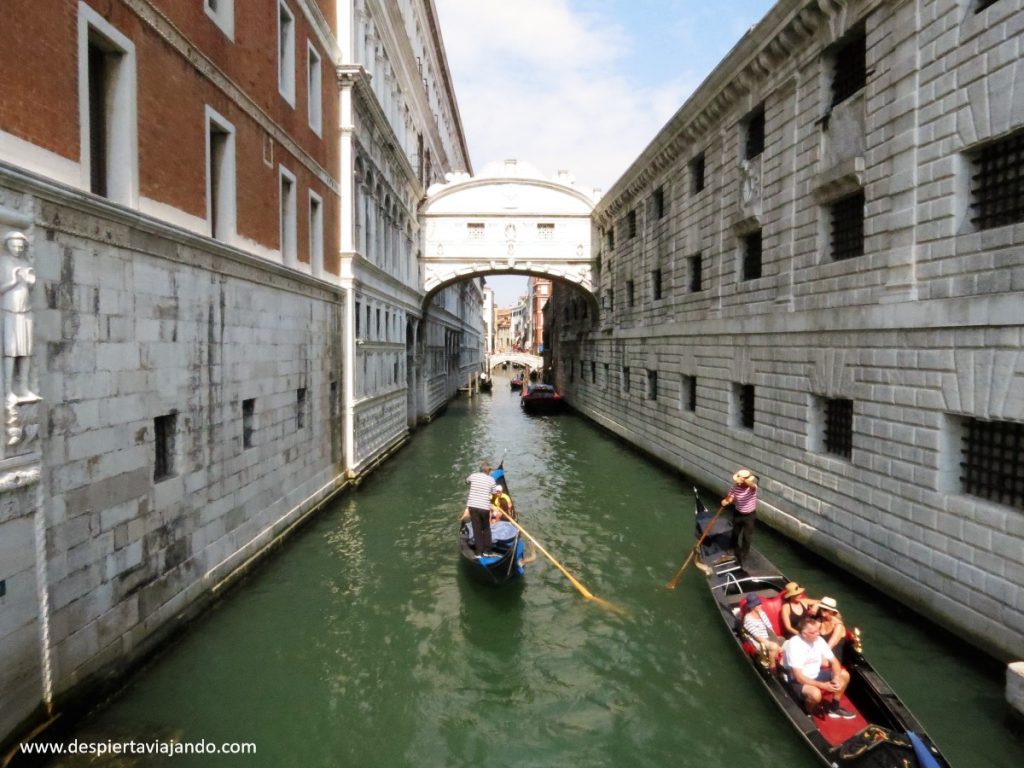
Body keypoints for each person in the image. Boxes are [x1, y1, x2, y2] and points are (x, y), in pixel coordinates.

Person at [781, 614, 854, 719]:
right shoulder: (794, 645)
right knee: (816, 694)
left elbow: (834, 661)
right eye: (813, 632)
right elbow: (798, 677)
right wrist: (823, 686)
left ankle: (834, 707)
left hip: (815, 674)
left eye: (817, 631)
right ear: (804, 634)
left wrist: (836, 678)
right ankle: (807, 712)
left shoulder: (819, 640)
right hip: (797, 680)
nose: (818, 634)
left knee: (844, 675)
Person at [720, 468, 758, 565]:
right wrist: (726, 501)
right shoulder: (736, 486)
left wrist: (744, 480)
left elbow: (752, 485)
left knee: (746, 536)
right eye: (738, 481)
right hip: (738, 513)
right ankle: (731, 550)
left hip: (749, 516)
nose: (739, 483)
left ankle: (744, 556)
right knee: (735, 533)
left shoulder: (752, 488)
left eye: (740, 481)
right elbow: (731, 497)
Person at [742, 594, 782, 669]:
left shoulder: (762, 613)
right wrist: (771, 643)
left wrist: (776, 640)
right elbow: (757, 636)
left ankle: (780, 662)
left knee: (784, 642)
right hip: (759, 642)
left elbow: (770, 628)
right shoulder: (748, 619)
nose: (760, 605)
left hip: (768, 637)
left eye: (759, 603)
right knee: (774, 646)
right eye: (757, 604)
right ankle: (773, 666)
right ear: (752, 607)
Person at [463, 461, 495, 554]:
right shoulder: (491, 479)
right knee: (486, 528)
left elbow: (466, 482)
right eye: (489, 470)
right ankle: (487, 551)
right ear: (488, 470)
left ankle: (479, 552)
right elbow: (493, 492)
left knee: (476, 529)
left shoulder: (473, 476)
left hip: (473, 506)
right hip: (484, 507)